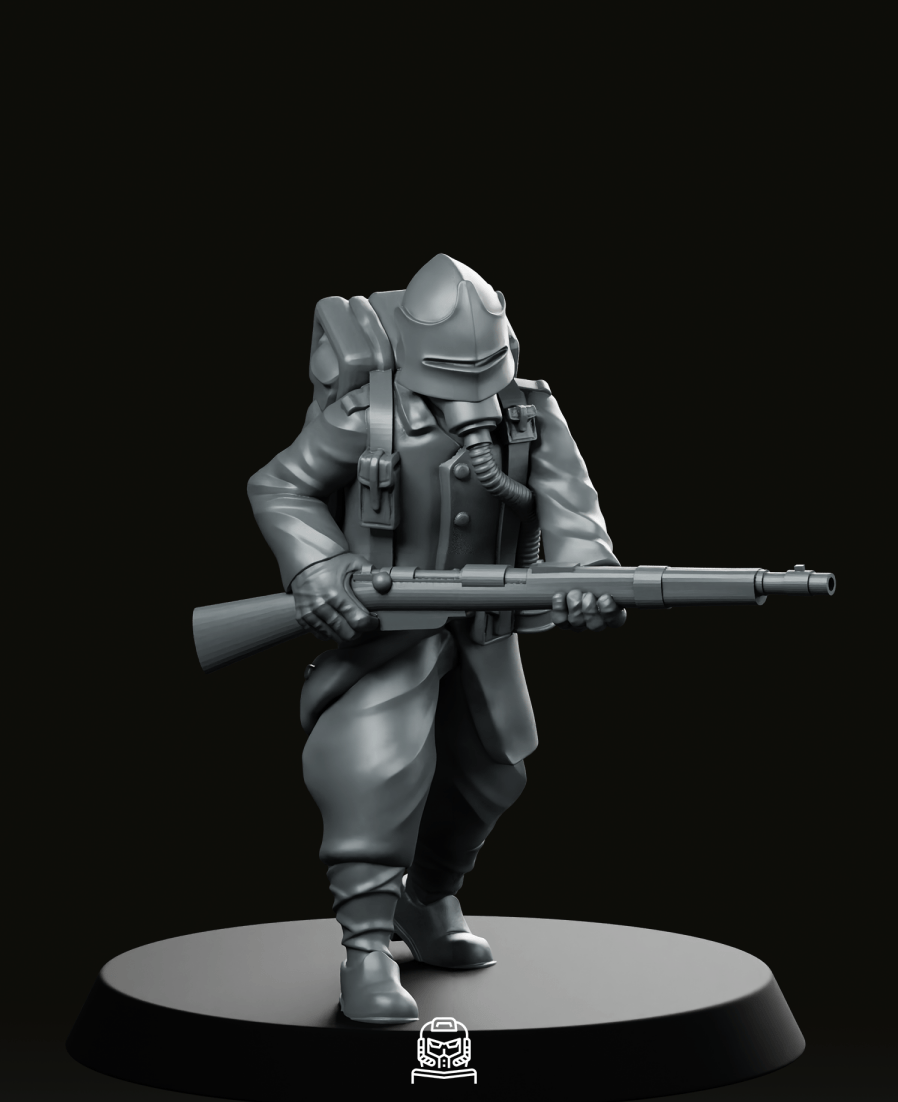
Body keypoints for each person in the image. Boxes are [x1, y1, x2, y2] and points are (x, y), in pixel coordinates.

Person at [247, 254, 625, 1023]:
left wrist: (590, 575)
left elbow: (573, 510)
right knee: (372, 772)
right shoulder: (367, 415)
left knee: (492, 776)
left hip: (486, 634)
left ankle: (428, 901)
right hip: (386, 634)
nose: (476, 395)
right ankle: (365, 951)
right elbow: (281, 485)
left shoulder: (530, 412)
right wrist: (318, 568)